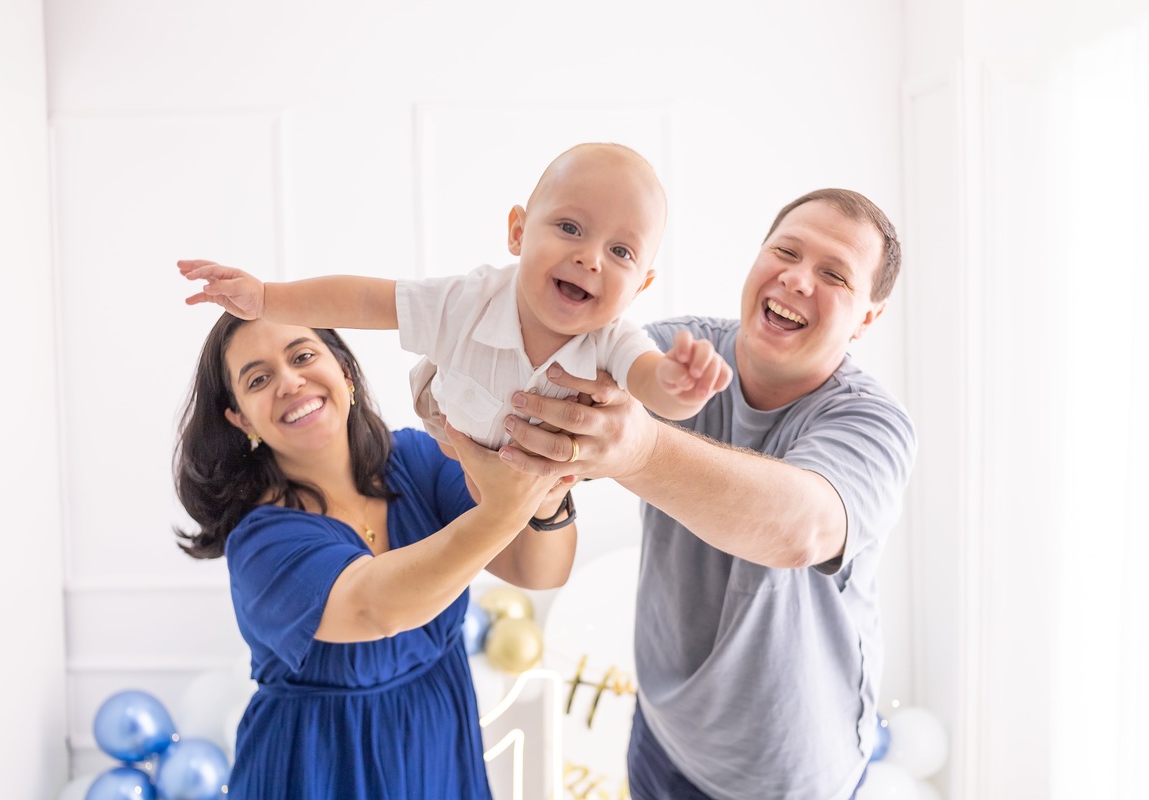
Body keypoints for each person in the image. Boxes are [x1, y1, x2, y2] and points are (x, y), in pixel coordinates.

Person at [496, 189, 918, 800]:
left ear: (867, 319)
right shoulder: (671, 357)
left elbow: (800, 529)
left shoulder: (873, 424)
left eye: (834, 275)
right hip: (662, 734)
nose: (797, 279)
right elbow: (547, 400)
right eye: (786, 251)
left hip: (786, 774)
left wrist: (638, 450)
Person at [173, 313, 576, 799]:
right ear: (240, 418)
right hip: (321, 766)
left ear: (343, 370)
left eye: (302, 356)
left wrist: (547, 494)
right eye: (258, 379)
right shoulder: (261, 541)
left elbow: (539, 569)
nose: (290, 382)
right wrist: (510, 505)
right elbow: (377, 608)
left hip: (438, 739)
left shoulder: (418, 460)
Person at [177, 142, 731, 467]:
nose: (591, 259)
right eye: (569, 227)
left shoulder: (613, 339)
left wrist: (680, 386)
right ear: (518, 232)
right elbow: (367, 300)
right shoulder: (469, 301)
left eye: (620, 252)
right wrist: (268, 298)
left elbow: (649, 382)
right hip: (453, 435)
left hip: (534, 476)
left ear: (641, 286)